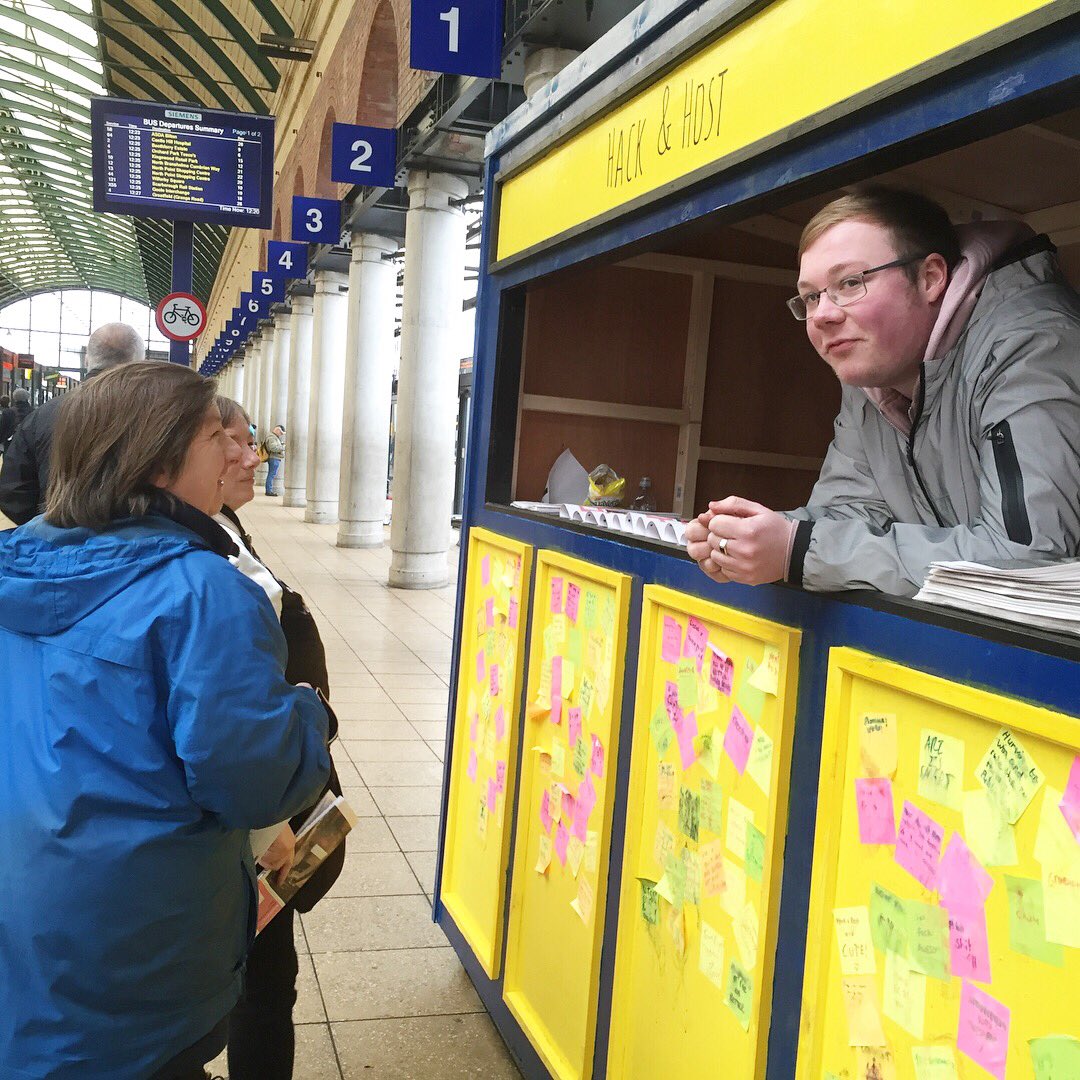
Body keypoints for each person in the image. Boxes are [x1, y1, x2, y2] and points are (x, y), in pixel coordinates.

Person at [0, 361, 332, 1079]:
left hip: (31, 914)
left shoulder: (17, 570)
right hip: (139, 936)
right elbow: (251, 783)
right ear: (158, 461)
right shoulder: (202, 591)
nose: (238, 454)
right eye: (217, 434)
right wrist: (312, 714)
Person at [686, 186, 1080, 597]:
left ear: (930, 278)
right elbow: (851, 513)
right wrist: (742, 538)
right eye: (810, 297)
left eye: (850, 282)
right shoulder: (873, 374)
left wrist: (798, 550)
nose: (823, 315)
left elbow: (1027, 562)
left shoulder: (1030, 347)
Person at [214, 397, 343, 1080]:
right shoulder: (194, 570)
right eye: (225, 441)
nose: (250, 456)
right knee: (262, 979)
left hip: (263, 792)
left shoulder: (216, 531)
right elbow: (220, 718)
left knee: (261, 974)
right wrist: (268, 823)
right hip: (247, 813)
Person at [0, 321, 145, 524]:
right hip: (142, 545)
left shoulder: (41, 417)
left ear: (87, 360)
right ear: (140, 362)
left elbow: (14, 492)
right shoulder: (158, 414)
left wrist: (47, 528)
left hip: (58, 543)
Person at [263, 423, 285, 497]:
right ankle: (269, 491)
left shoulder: (272, 436)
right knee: (271, 474)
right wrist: (283, 447)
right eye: (281, 433)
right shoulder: (272, 437)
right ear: (278, 430)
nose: (281, 435)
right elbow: (273, 448)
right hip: (274, 458)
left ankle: (269, 490)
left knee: (271, 474)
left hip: (274, 458)